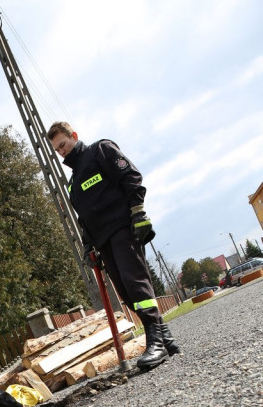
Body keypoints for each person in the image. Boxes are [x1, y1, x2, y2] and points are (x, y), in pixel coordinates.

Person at [47, 122, 180, 369]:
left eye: (63, 145)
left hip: (123, 228)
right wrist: (88, 246)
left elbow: (131, 176)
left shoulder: (101, 150)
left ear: (74, 136)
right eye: (57, 150)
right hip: (103, 241)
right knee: (127, 293)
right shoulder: (72, 183)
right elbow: (83, 218)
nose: (61, 152)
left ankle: (156, 344)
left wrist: (138, 212)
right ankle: (166, 338)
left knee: (135, 283)